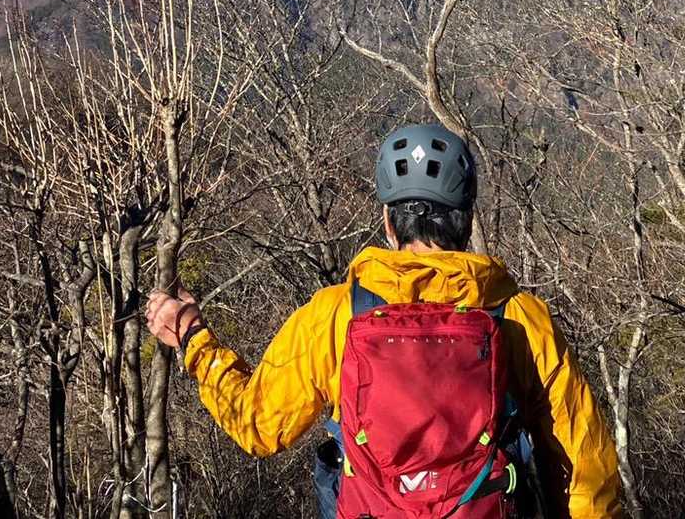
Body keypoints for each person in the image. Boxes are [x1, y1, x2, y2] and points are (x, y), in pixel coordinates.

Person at [145, 122, 624, 518]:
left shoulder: (336, 314)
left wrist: (192, 337)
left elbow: (257, 425)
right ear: (465, 219)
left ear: (389, 223)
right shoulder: (517, 317)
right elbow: (587, 468)